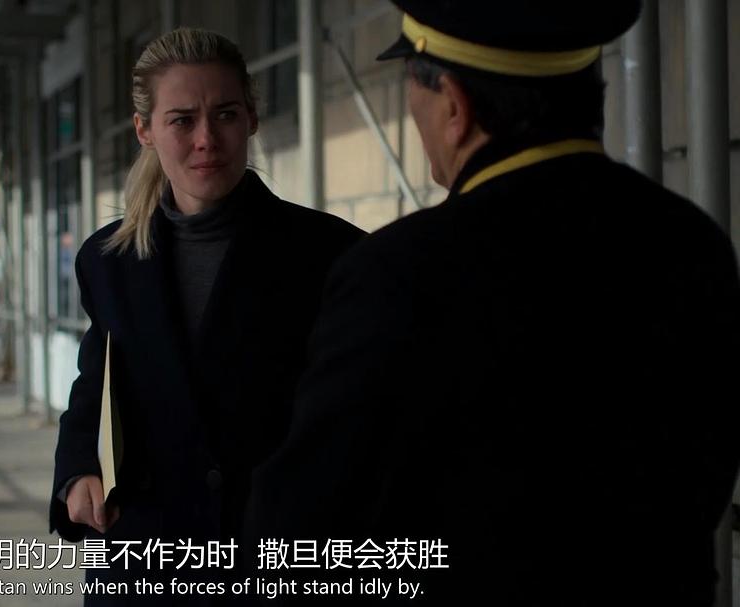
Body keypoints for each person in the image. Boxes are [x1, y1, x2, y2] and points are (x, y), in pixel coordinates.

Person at [246, 2, 740, 605]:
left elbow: (301, 529)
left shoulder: (400, 273)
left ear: (455, 107)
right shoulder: (693, 242)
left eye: (412, 87)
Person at [49, 27, 364, 604]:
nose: (206, 140)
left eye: (224, 115)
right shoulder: (109, 260)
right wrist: (78, 470)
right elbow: (98, 382)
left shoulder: (331, 254)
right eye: (182, 120)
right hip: (144, 561)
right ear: (144, 130)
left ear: (252, 118)